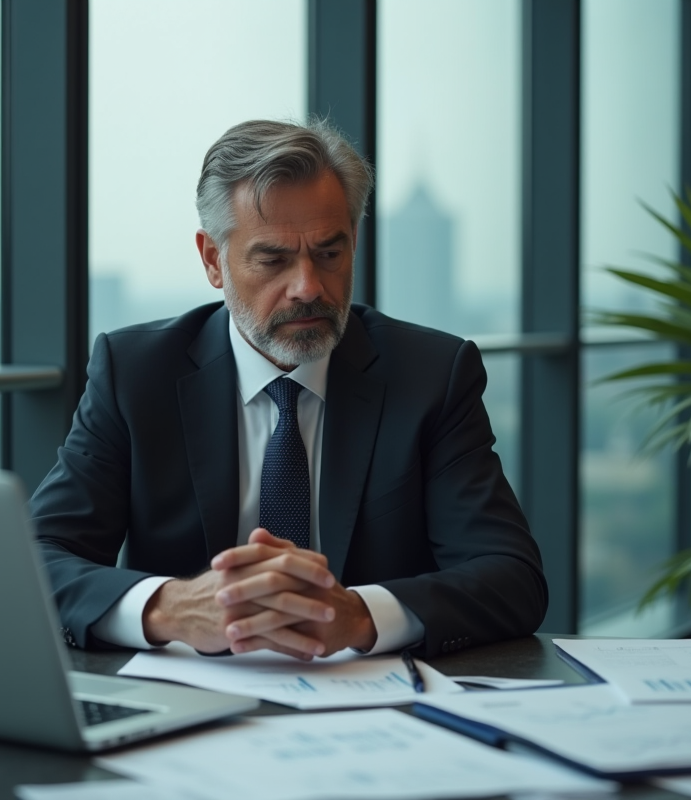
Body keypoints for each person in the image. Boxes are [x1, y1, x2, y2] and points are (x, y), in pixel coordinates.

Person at [30, 119, 546, 660]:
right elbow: (38, 557)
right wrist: (171, 608)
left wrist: (359, 615)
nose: (308, 287)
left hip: (373, 704)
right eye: (273, 259)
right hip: (188, 699)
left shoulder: (432, 375)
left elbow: (511, 577)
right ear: (213, 260)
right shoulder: (136, 374)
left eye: (329, 253)